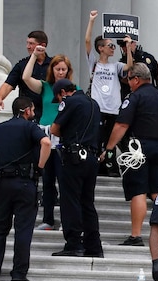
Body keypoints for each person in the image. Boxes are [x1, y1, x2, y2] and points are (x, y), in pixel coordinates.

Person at [0, 97, 52, 281]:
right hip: (25, 184)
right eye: (32, 110)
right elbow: (46, 143)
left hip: (2, 185)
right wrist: (40, 167)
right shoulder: (31, 127)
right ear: (26, 111)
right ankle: (18, 273)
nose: (34, 113)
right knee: (23, 229)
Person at [102, 63, 158, 247]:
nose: (129, 83)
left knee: (139, 191)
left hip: (138, 148)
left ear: (136, 79)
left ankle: (136, 236)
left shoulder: (134, 97)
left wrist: (109, 148)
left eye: (129, 80)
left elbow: (121, 125)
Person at [22, 49, 76, 232]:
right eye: (57, 69)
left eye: (63, 69)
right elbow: (26, 77)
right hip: (45, 137)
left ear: (68, 71)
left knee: (64, 181)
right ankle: (48, 220)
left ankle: (67, 220)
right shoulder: (45, 86)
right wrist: (34, 56)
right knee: (47, 180)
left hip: (63, 138)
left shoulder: (73, 90)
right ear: (52, 70)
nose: (60, 72)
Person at [49, 79, 104, 258]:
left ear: (62, 92)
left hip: (73, 157)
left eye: (58, 98)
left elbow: (55, 130)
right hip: (91, 157)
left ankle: (73, 243)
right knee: (87, 202)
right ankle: (93, 246)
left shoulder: (69, 101)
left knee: (70, 199)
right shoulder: (94, 103)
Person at [85, 11, 133, 177]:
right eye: (110, 45)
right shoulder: (94, 63)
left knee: (112, 140)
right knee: (97, 139)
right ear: (101, 48)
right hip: (98, 108)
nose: (113, 48)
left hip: (114, 108)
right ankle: (96, 167)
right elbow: (87, 41)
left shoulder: (116, 66)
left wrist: (128, 47)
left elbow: (129, 67)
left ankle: (111, 167)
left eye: (114, 46)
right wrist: (92, 21)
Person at [0, 30, 51, 120]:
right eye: (27, 43)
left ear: (42, 45)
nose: (28, 47)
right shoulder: (22, 65)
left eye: (31, 43)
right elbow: (8, 84)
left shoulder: (54, 65)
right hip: (27, 114)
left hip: (49, 112)